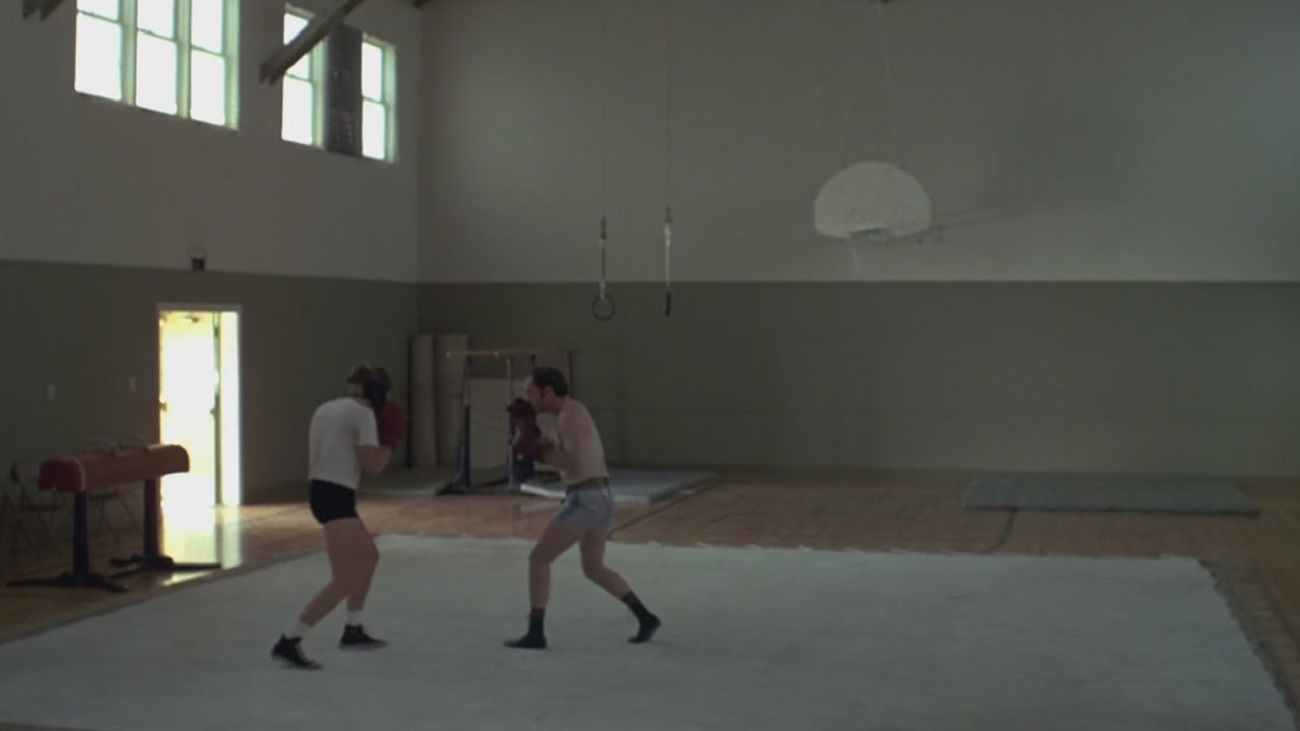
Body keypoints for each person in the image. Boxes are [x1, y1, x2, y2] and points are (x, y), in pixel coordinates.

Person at [504, 366, 661, 650]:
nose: (527, 398)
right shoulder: (572, 412)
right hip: (598, 495)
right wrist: (542, 445)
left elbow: (574, 463)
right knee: (594, 568)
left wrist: (539, 453)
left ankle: (536, 632)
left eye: (530, 391)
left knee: (538, 559)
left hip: (586, 498)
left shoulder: (570, 414)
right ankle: (645, 617)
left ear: (547, 392)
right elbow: (575, 457)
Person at [271, 363, 407, 670]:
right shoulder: (362, 414)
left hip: (324, 491)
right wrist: (390, 443)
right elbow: (373, 466)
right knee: (347, 579)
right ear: (378, 392)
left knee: (368, 557)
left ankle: (353, 628)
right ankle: (290, 639)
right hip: (335, 495)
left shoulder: (325, 408)